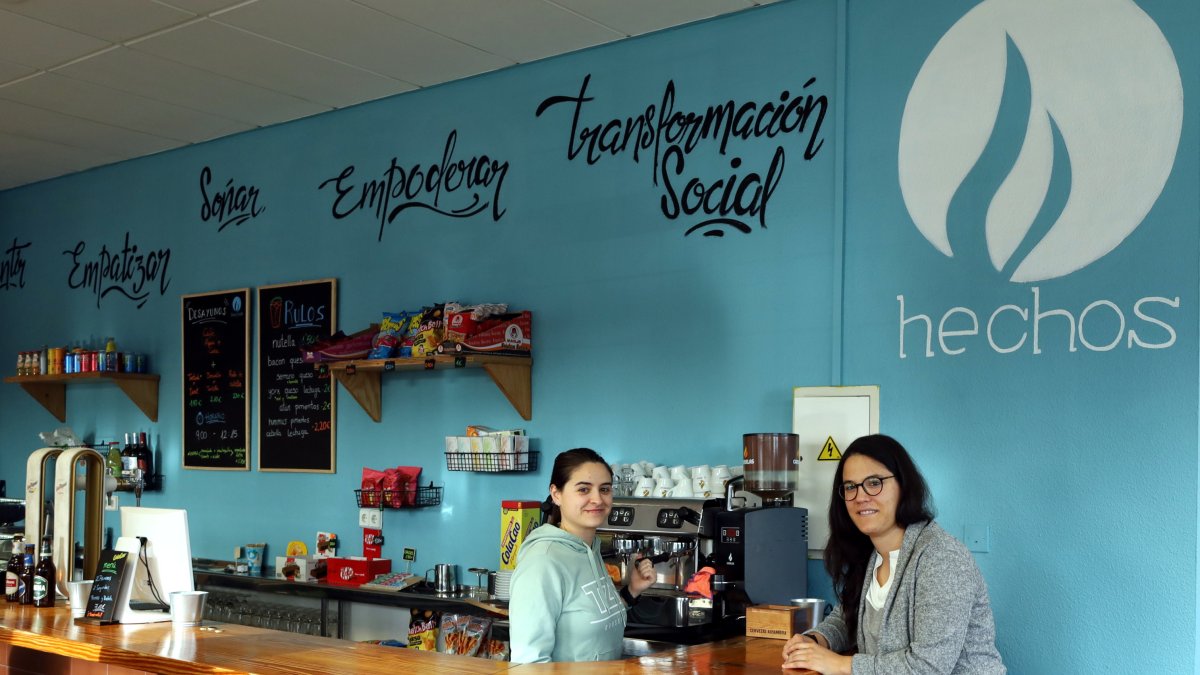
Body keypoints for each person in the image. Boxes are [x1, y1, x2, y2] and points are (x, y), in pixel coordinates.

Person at [782, 434, 1005, 674]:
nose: (860, 497)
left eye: (874, 482)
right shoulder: (870, 553)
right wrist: (814, 641)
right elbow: (847, 618)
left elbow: (928, 667)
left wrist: (837, 663)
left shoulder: (941, 556)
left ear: (903, 485)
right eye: (850, 487)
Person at [510, 448, 656, 663]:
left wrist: (631, 592)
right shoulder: (542, 561)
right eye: (583, 489)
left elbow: (592, 619)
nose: (597, 499)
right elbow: (528, 664)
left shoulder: (590, 549)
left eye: (604, 489)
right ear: (556, 494)